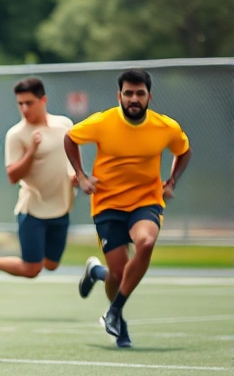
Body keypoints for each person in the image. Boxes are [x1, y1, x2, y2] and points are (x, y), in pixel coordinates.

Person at [66, 69, 191, 348]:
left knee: (145, 243)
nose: (134, 99)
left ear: (149, 96)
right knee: (118, 274)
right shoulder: (102, 122)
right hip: (107, 203)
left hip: (146, 201)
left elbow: (183, 150)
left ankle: (114, 313)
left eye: (140, 93)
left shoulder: (165, 127)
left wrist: (171, 181)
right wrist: (82, 176)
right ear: (119, 95)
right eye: (128, 93)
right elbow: (70, 138)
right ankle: (96, 273)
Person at [0, 77, 75, 284]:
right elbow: (13, 176)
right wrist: (32, 150)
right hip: (32, 210)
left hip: (61, 207)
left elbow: (67, 158)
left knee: (51, 264)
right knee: (32, 269)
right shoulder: (16, 134)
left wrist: (74, 175)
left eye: (28, 103)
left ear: (43, 100)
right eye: (20, 103)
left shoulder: (65, 124)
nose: (24, 108)